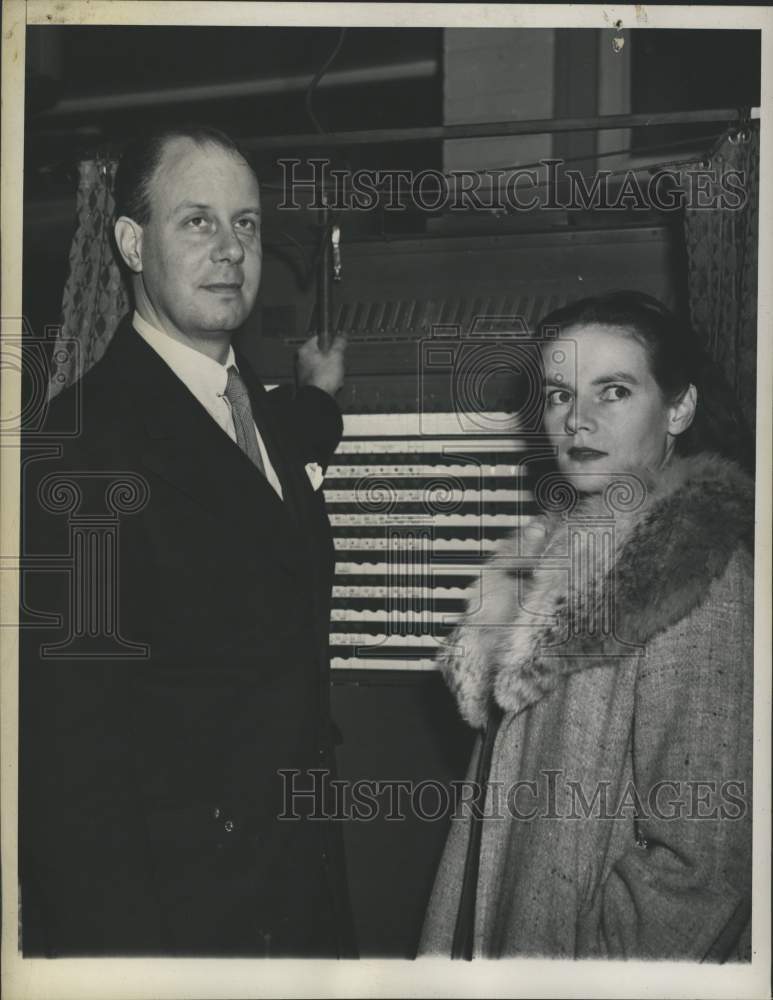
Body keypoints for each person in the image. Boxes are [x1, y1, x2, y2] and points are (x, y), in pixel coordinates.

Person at [19, 125, 354, 957]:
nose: (231, 249)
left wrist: (321, 394)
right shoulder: (84, 443)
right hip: (183, 920)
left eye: (245, 224)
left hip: (299, 890)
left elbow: (282, 459)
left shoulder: (264, 414)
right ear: (132, 243)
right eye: (196, 222)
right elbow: (68, 760)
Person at [420, 291, 754, 961]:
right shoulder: (552, 558)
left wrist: (578, 968)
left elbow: (701, 868)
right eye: (558, 394)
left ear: (678, 408)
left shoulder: (699, 577)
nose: (577, 420)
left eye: (614, 391)